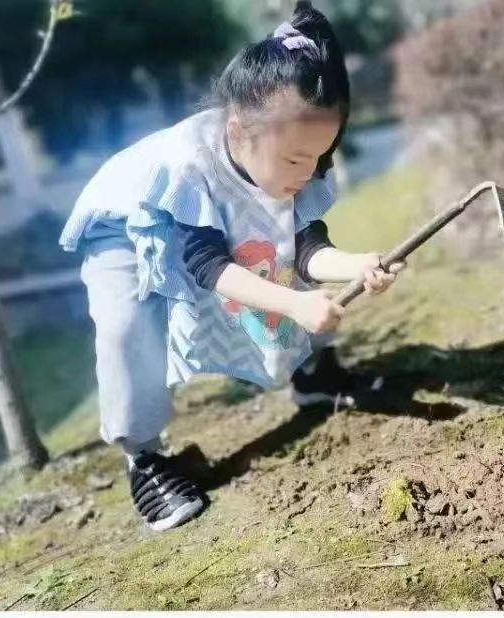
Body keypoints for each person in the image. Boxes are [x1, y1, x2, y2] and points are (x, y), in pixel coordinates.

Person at [59, 1, 403, 531]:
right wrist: (294, 304)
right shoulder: (187, 168)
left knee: (280, 264)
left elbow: (305, 248)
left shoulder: (292, 156)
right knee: (128, 327)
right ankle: (144, 457)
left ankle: (315, 373)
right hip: (127, 224)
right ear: (240, 132)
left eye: (319, 156)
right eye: (296, 160)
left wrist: (358, 265)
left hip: (206, 214)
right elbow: (210, 267)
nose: (307, 172)